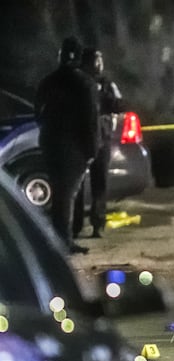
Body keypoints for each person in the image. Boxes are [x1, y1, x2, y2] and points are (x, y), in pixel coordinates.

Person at [34, 36, 99, 254]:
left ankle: (59, 239)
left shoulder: (48, 81)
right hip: (75, 147)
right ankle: (62, 242)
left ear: (60, 56)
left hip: (51, 143)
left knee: (59, 192)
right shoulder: (85, 84)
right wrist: (92, 149)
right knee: (67, 195)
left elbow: (38, 113)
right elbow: (91, 120)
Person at [73, 48, 124, 238]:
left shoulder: (106, 84)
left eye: (100, 60)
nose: (100, 65)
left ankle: (97, 224)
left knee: (99, 184)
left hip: (102, 139)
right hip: (79, 140)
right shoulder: (76, 83)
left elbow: (119, 105)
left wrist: (103, 99)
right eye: (96, 60)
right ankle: (75, 226)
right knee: (76, 185)